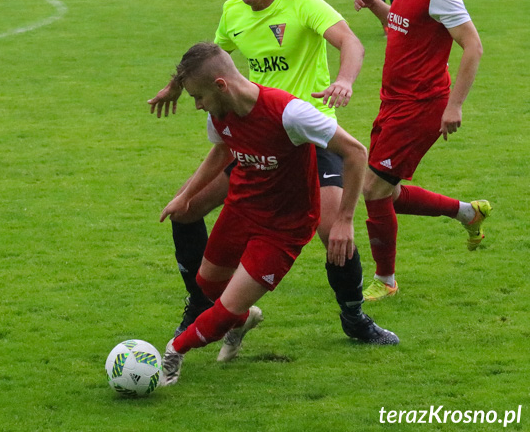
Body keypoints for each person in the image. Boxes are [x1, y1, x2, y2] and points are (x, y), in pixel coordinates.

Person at [148, 0, 397, 347]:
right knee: (185, 210)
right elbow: (210, 60)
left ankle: (355, 318)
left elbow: (350, 41)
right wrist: (176, 85)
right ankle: (201, 307)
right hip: (256, 140)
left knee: (333, 230)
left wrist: (344, 80)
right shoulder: (233, 13)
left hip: (309, 137)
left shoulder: (302, 3)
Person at [159, 42, 395, 386]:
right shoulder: (219, 113)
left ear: (221, 86)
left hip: (284, 227)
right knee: (208, 285)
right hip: (241, 209)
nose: (197, 105)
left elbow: (356, 152)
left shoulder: (290, 114)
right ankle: (243, 319)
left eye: (199, 97)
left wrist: (344, 219)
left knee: (222, 311)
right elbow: (222, 150)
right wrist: (186, 197)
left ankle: (173, 354)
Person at [354, 0, 490, 301]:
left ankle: (386, 279)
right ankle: (469, 212)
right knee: (386, 190)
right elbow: (402, 25)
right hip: (393, 103)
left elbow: (473, 46)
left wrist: (454, 106)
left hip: (421, 107)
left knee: (375, 189)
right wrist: (377, 5)